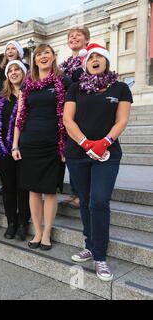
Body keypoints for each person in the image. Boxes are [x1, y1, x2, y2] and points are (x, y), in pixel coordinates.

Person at [63, 43, 132, 282]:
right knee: (84, 201)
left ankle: (100, 256)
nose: (94, 59)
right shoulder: (74, 88)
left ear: (106, 61)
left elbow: (122, 120)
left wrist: (105, 141)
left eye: (99, 56)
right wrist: (86, 143)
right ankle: (90, 245)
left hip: (107, 154)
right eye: (90, 56)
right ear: (85, 63)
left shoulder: (120, 88)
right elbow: (67, 120)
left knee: (99, 201)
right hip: (78, 153)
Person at [12, 44, 72, 251]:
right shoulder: (27, 84)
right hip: (29, 142)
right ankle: (37, 231)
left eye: (47, 53)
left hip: (54, 143)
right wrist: (14, 145)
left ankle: (47, 233)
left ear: (54, 57)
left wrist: (67, 145)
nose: (43, 57)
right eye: (38, 55)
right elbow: (20, 117)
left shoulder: (64, 81)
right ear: (34, 60)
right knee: (33, 191)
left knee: (50, 191)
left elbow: (70, 114)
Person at [0, 60, 31, 241]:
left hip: (25, 148)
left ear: (23, 72)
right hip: (4, 149)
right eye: (10, 70)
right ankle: (11, 222)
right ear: (7, 75)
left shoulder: (30, 94)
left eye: (17, 70)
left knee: (23, 187)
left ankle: (23, 222)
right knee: (8, 188)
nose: (14, 73)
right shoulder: (0, 97)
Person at [59, 26, 91, 210]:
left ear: (87, 39)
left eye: (78, 35)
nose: (74, 38)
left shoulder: (90, 59)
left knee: (81, 151)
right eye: (71, 36)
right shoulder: (66, 64)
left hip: (84, 112)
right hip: (66, 113)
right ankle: (75, 192)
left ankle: (82, 193)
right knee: (70, 152)